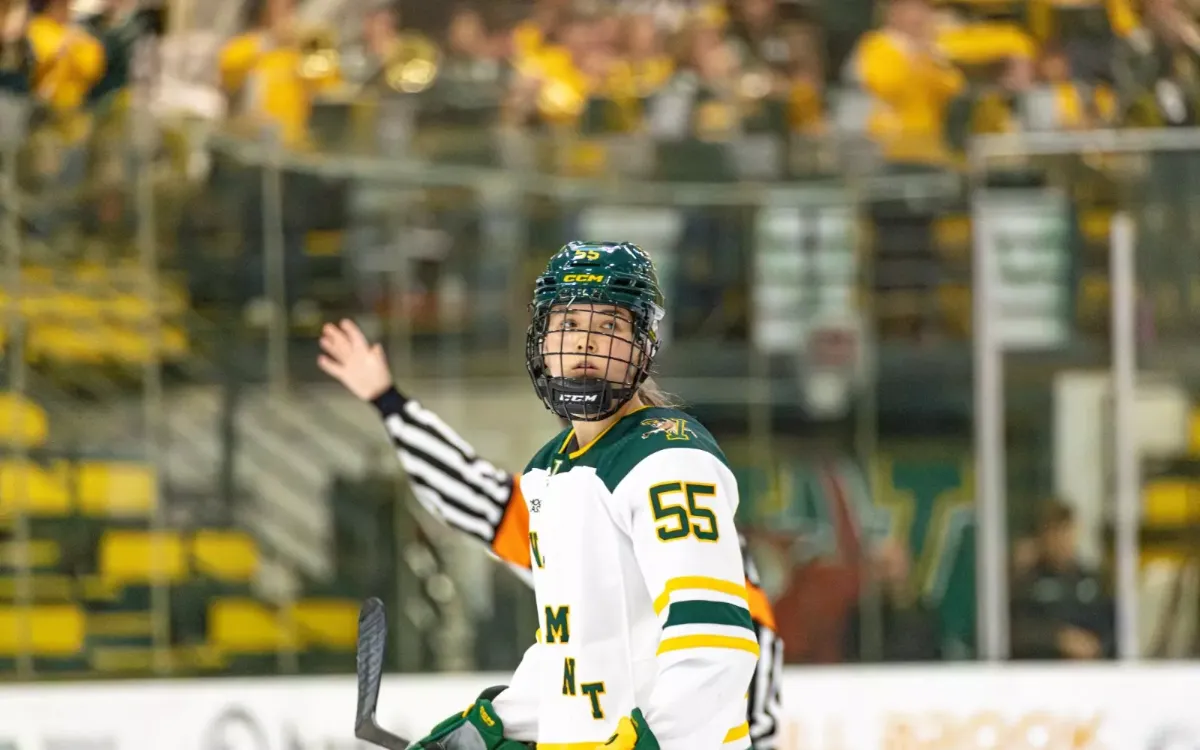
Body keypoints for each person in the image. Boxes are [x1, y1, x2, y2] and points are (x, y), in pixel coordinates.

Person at [319, 241, 775, 749]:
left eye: (609, 327)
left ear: (643, 347)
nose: (585, 345)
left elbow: (716, 645)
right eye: (569, 325)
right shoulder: (548, 471)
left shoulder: (669, 458)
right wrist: (490, 729)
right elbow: (571, 652)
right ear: (542, 340)